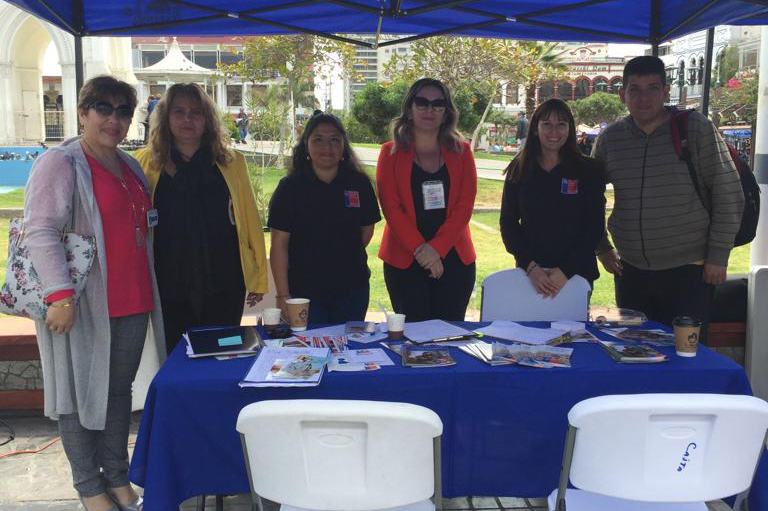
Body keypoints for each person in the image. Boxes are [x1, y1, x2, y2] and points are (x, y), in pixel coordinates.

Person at [24, 75, 165, 511]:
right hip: (79, 304)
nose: (114, 119)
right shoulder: (61, 163)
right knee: (76, 396)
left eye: (123, 111)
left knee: (117, 394)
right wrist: (59, 295)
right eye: (103, 108)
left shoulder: (130, 166)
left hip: (132, 299)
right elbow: (40, 230)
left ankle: (117, 477)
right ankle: (89, 488)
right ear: (82, 113)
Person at [593, 56, 744, 338]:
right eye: (635, 89)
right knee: (636, 351)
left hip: (690, 272)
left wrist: (718, 256)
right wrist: (601, 247)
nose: (644, 98)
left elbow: (727, 190)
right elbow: (589, 199)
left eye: (652, 88)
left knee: (687, 353)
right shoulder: (610, 139)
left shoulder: (695, 128)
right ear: (622, 95)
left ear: (665, 91)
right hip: (631, 272)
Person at [136, 83, 268, 355]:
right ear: (166, 117)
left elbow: (249, 220)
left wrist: (258, 277)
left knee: (224, 351)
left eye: (196, 113)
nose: (188, 119)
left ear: (207, 119)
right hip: (167, 281)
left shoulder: (232, 162)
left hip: (225, 280)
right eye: (179, 112)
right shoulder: (144, 164)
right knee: (176, 356)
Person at [377, 78, 477, 321]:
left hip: (454, 260)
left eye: (437, 104)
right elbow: (391, 208)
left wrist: (436, 249)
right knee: (412, 336)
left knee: (450, 335)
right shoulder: (389, 153)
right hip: (404, 261)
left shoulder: (462, 152)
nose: (429, 109)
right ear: (409, 108)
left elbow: (464, 206)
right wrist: (422, 251)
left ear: (446, 111)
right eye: (422, 102)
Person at [268, 111, 381, 323]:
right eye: (318, 139)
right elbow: (279, 245)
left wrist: (340, 254)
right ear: (306, 145)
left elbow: (366, 230)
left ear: (344, 146)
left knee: (349, 343)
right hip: (304, 292)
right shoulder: (290, 187)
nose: (327, 147)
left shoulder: (358, 183)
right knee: (309, 344)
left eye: (334, 140)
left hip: (352, 289)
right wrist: (282, 295)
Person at [500, 99, 606, 297]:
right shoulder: (520, 168)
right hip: (532, 277)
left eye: (561, 124)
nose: (554, 131)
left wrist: (566, 271)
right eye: (547, 124)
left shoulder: (589, 170)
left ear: (570, 128)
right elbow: (508, 224)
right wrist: (531, 268)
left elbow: (594, 227)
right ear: (535, 128)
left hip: (576, 276)